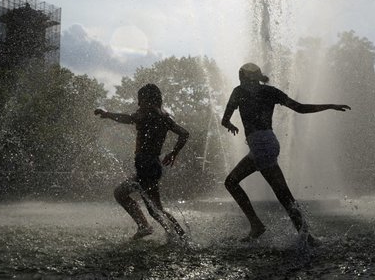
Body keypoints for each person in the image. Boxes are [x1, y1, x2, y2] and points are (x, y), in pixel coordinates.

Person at [221, 63, 350, 242]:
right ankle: (304, 235)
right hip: (269, 142)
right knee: (279, 194)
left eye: (240, 75)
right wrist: (329, 105)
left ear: (244, 76)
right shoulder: (270, 91)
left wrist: (230, 125)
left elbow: (224, 120)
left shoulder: (238, 92)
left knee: (236, 183)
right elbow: (300, 108)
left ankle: (264, 227)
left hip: (260, 146)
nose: (239, 78)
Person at [95, 83, 189, 239]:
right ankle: (152, 228)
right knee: (124, 195)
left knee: (154, 208)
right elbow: (184, 133)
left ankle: (179, 236)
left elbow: (128, 118)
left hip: (147, 167)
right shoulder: (164, 117)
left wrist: (107, 114)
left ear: (150, 100)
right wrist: (173, 152)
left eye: (140, 100)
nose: (138, 104)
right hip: (151, 166)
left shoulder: (147, 113)